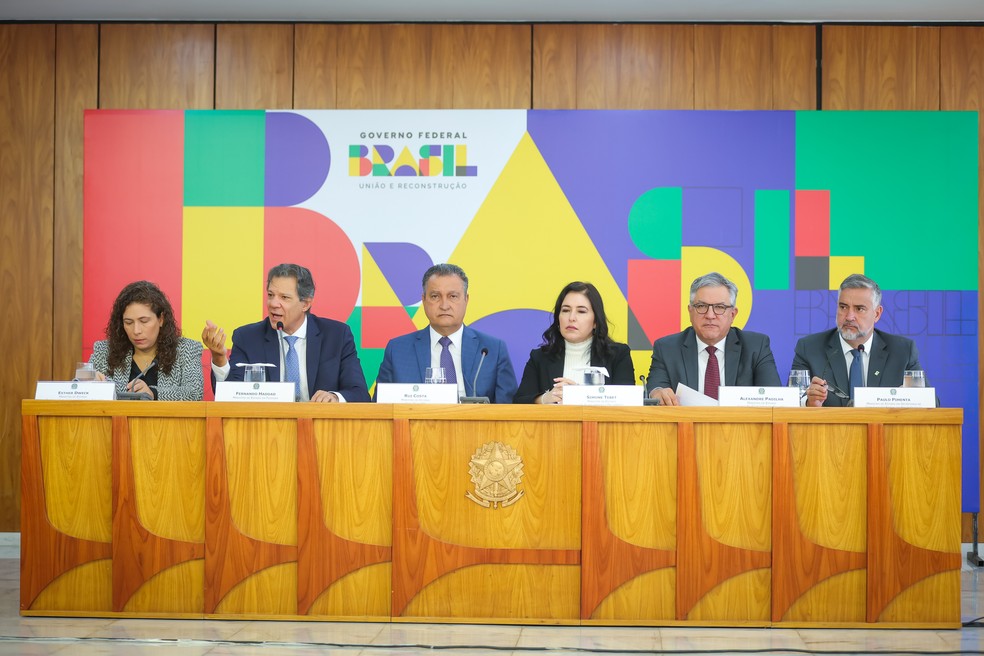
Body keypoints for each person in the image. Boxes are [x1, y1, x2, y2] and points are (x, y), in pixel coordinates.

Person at [202, 263, 369, 403]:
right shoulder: (248, 337)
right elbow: (229, 398)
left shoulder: (337, 336)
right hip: (267, 433)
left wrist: (335, 397)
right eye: (270, 295)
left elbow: (360, 393)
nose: (274, 303)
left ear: (305, 304)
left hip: (322, 432)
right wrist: (219, 358)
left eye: (284, 298)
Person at [375, 263, 517, 403]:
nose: (444, 305)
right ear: (424, 300)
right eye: (435, 296)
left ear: (466, 300)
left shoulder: (491, 350)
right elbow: (378, 411)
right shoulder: (398, 350)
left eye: (453, 296)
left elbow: (509, 412)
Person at [646, 272, 780, 405]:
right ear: (690, 312)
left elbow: (773, 398)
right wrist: (657, 393)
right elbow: (656, 389)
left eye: (719, 307)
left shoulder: (756, 346)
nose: (710, 315)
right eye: (702, 306)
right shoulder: (667, 348)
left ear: (733, 314)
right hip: (685, 425)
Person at [792, 273, 925, 407]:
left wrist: (907, 398)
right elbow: (790, 404)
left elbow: (931, 403)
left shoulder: (903, 351)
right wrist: (809, 403)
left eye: (859, 309)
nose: (849, 317)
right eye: (843, 307)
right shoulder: (809, 348)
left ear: (877, 314)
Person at [514, 281, 634, 404]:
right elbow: (519, 402)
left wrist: (580, 395)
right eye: (565, 310)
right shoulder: (540, 357)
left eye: (581, 311)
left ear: (595, 322)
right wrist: (545, 398)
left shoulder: (618, 355)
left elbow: (628, 402)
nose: (571, 318)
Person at [88, 280, 203, 400]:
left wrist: (153, 393)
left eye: (144, 321)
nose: (136, 330)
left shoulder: (187, 349)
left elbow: (194, 392)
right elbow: (79, 389)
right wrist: (90, 386)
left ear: (161, 319)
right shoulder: (104, 351)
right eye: (128, 322)